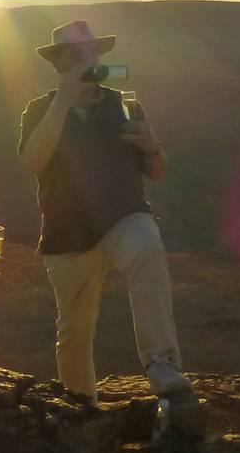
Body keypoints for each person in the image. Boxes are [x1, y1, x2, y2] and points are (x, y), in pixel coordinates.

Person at [18, 20, 189, 401]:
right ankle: (82, 408)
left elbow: (156, 171)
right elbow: (34, 160)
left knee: (146, 245)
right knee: (75, 331)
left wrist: (152, 147)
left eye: (91, 53)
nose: (87, 60)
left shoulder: (123, 104)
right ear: (57, 62)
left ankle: (162, 363)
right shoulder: (41, 110)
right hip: (67, 232)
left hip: (122, 217)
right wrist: (64, 99)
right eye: (76, 54)